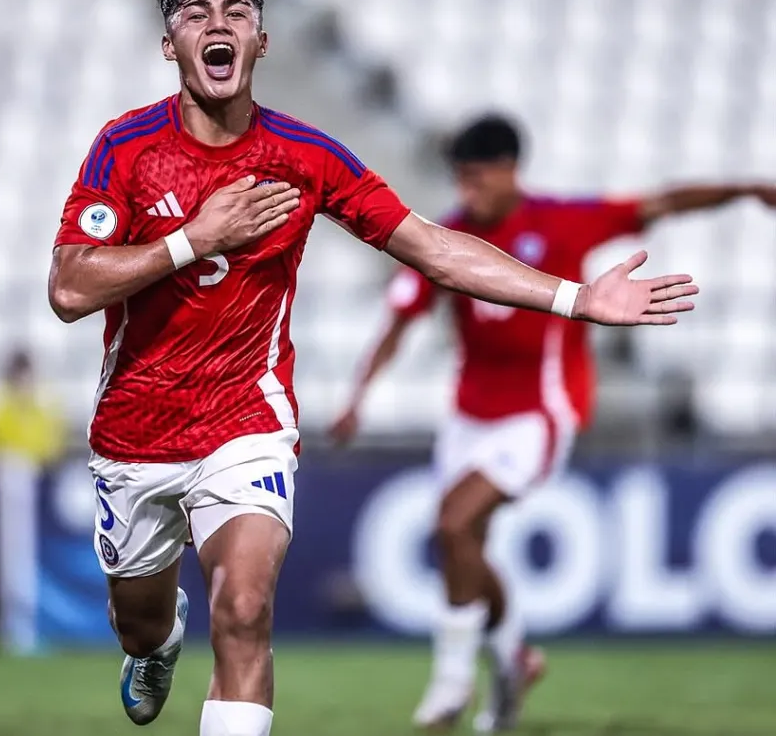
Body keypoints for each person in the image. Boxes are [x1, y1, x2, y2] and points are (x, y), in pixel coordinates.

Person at [47, 0, 697, 736]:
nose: (217, 25)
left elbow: (429, 245)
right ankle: (155, 644)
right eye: (195, 14)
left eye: (237, 13)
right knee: (139, 622)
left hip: (245, 424)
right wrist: (192, 238)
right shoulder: (126, 148)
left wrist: (574, 297)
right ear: (169, 45)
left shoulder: (306, 156)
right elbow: (70, 290)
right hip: (135, 434)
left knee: (246, 608)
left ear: (261, 41)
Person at [328, 114, 776, 731]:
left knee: (454, 526)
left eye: (478, 178)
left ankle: (453, 680)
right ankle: (512, 662)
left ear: (512, 170)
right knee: (464, 546)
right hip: (467, 417)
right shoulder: (447, 238)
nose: (469, 192)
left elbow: (661, 202)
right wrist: (358, 396)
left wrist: (746, 189)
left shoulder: (561, 221)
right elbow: (401, 319)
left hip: (538, 414)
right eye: (461, 179)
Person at [0, 349, 67, 655]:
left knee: (25, 558)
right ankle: (15, 629)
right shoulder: (2, 404)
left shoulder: (39, 403)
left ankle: (23, 628)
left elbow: (53, 440)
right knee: (15, 555)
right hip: (13, 474)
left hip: (37, 479)